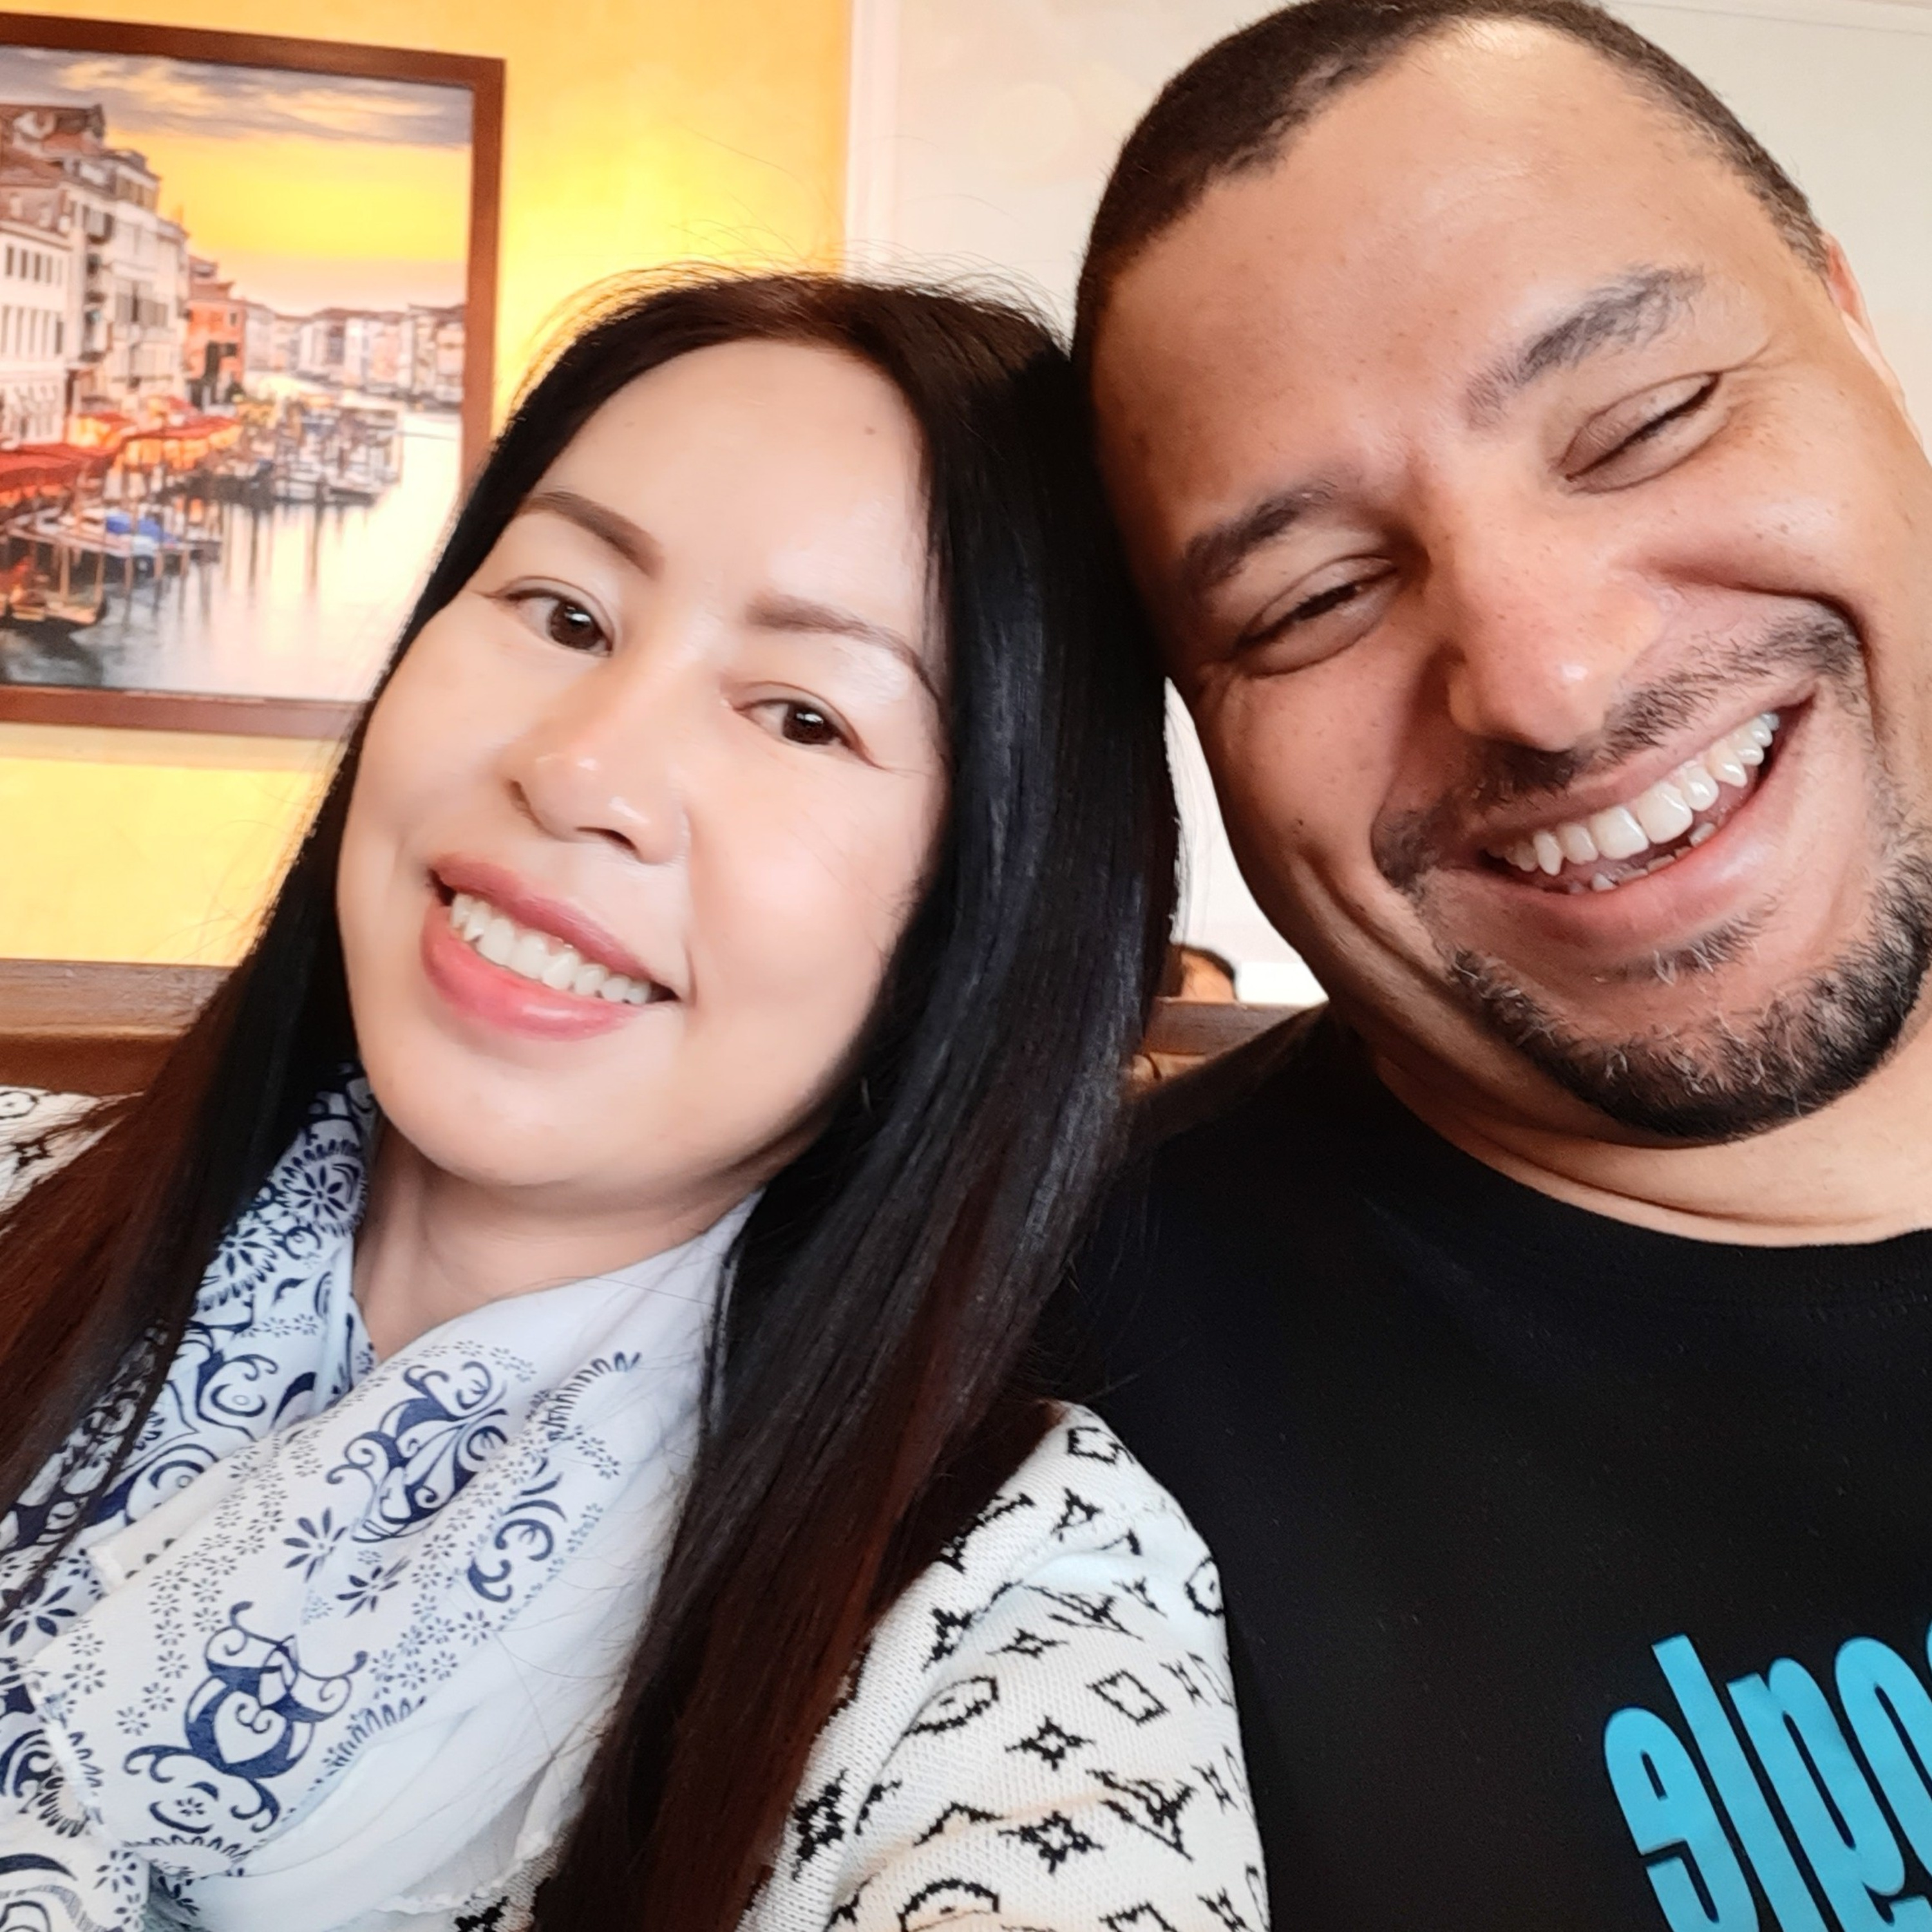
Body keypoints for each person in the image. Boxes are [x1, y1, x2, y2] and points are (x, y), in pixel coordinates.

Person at [0, 275, 1266, 1932]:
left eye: (803, 716)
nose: (582, 769)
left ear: (987, 912)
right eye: (565, 613)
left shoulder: (1016, 1599)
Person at [1060, 3, 1932, 1927]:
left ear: (1853, 330)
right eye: (1312, 598)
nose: (1549, 680)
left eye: (1643, 422)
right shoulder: (1048, 1434)